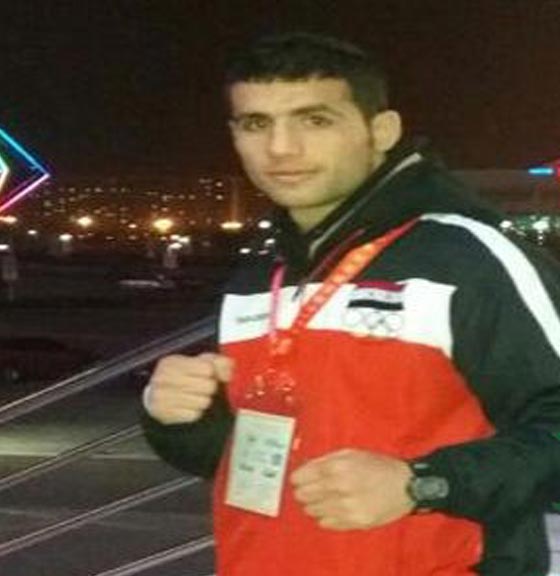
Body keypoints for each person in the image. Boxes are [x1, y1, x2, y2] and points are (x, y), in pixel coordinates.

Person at [141, 32, 560, 576]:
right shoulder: (260, 275)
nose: (281, 148)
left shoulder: (464, 258)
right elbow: (240, 458)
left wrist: (421, 484)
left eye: (315, 120)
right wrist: (179, 418)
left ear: (381, 131)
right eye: (256, 123)